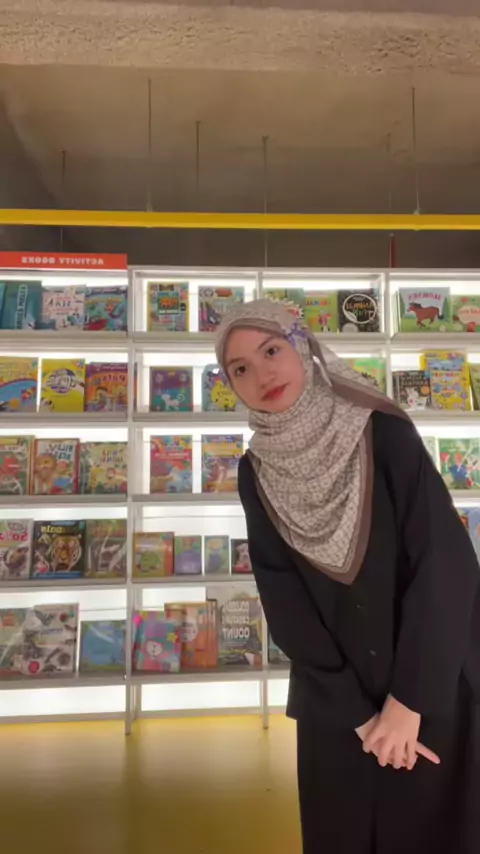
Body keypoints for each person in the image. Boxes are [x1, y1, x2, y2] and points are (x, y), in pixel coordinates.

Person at [214, 299, 480, 854]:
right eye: (240, 368)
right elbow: (283, 597)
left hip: (430, 684)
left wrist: (407, 704)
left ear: (302, 346)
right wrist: (360, 717)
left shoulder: (381, 432)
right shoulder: (255, 470)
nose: (262, 374)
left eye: (271, 350)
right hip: (338, 704)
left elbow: (443, 564)